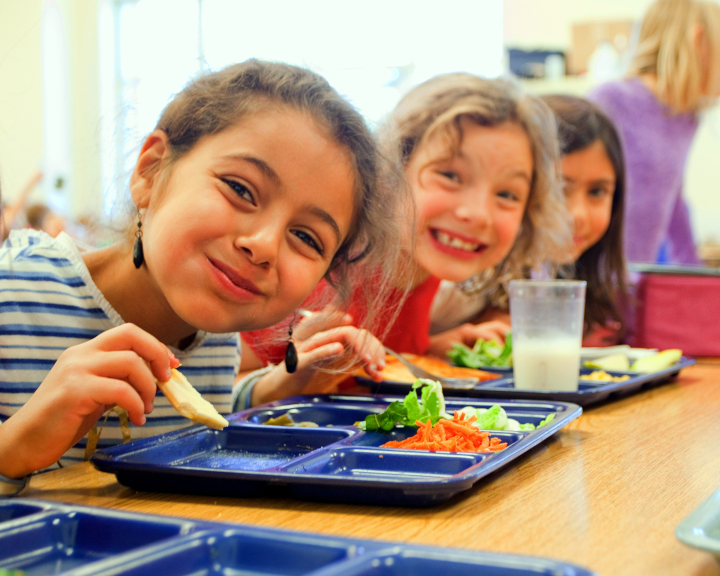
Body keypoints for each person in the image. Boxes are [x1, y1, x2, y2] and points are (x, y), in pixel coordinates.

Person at [0, 59, 409, 493]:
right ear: (151, 171)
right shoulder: (14, 294)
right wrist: (12, 449)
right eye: (240, 189)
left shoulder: (214, 338)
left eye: (306, 237)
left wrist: (279, 384)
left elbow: (196, 411)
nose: (265, 245)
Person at [237, 72, 572, 406]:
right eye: (450, 175)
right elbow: (209, 388)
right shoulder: (324, 273)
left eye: (507, 194)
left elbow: (366, 367)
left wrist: (430, 350)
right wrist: (284, 382)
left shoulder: (423, 270)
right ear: (391, 171)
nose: (479, 214)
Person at [587, 0, 720, 264]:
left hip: (636, 279)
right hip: (596, 276)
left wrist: (693, 270)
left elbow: (672, 197)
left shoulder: (686, 117)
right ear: (699, 41)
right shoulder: (611, 100)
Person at [541, 94, 628, 345]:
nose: (577, 215)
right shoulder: (463, 294)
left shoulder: (600, 308)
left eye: (597, 192)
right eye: (559, 189)